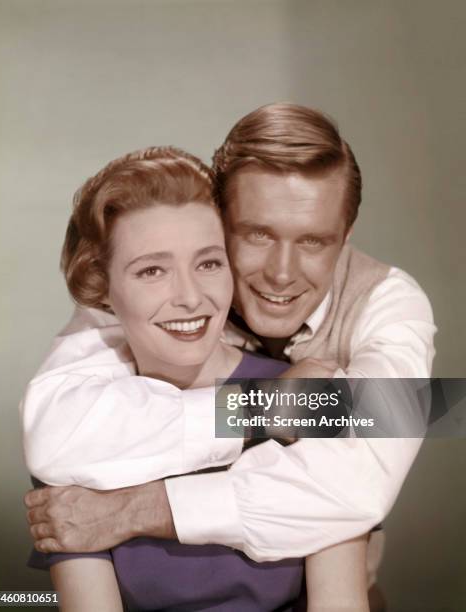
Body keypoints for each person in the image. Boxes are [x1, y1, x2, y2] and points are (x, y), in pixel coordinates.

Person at [23, 103, 436, 609]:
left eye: (313, 241)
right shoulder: (140, 285)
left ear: (345, 239)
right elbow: (53, 431)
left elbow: (357, 484)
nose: (282, 274)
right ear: (220, 220)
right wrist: (261, 409)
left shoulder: (392, 307)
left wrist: (134, 510)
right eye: (257, 234)